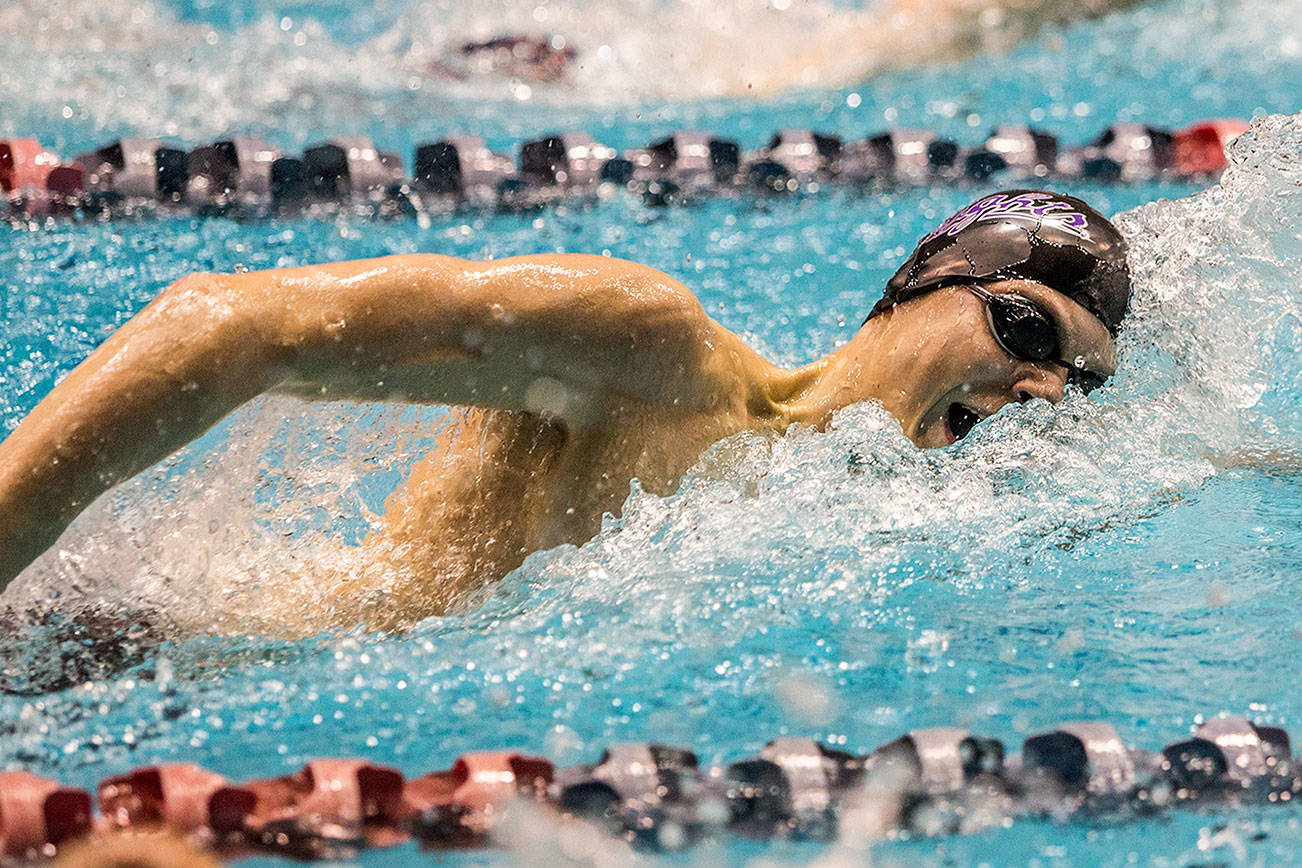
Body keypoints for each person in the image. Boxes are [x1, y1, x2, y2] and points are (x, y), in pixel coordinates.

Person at [0, 190, 1129, 631]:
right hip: (112, 652)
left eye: (1071, 385)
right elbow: (228, 326)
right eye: (1026, 333)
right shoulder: (649, 351)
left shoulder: (889, 547)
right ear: (916, 287)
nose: (1037, 391)